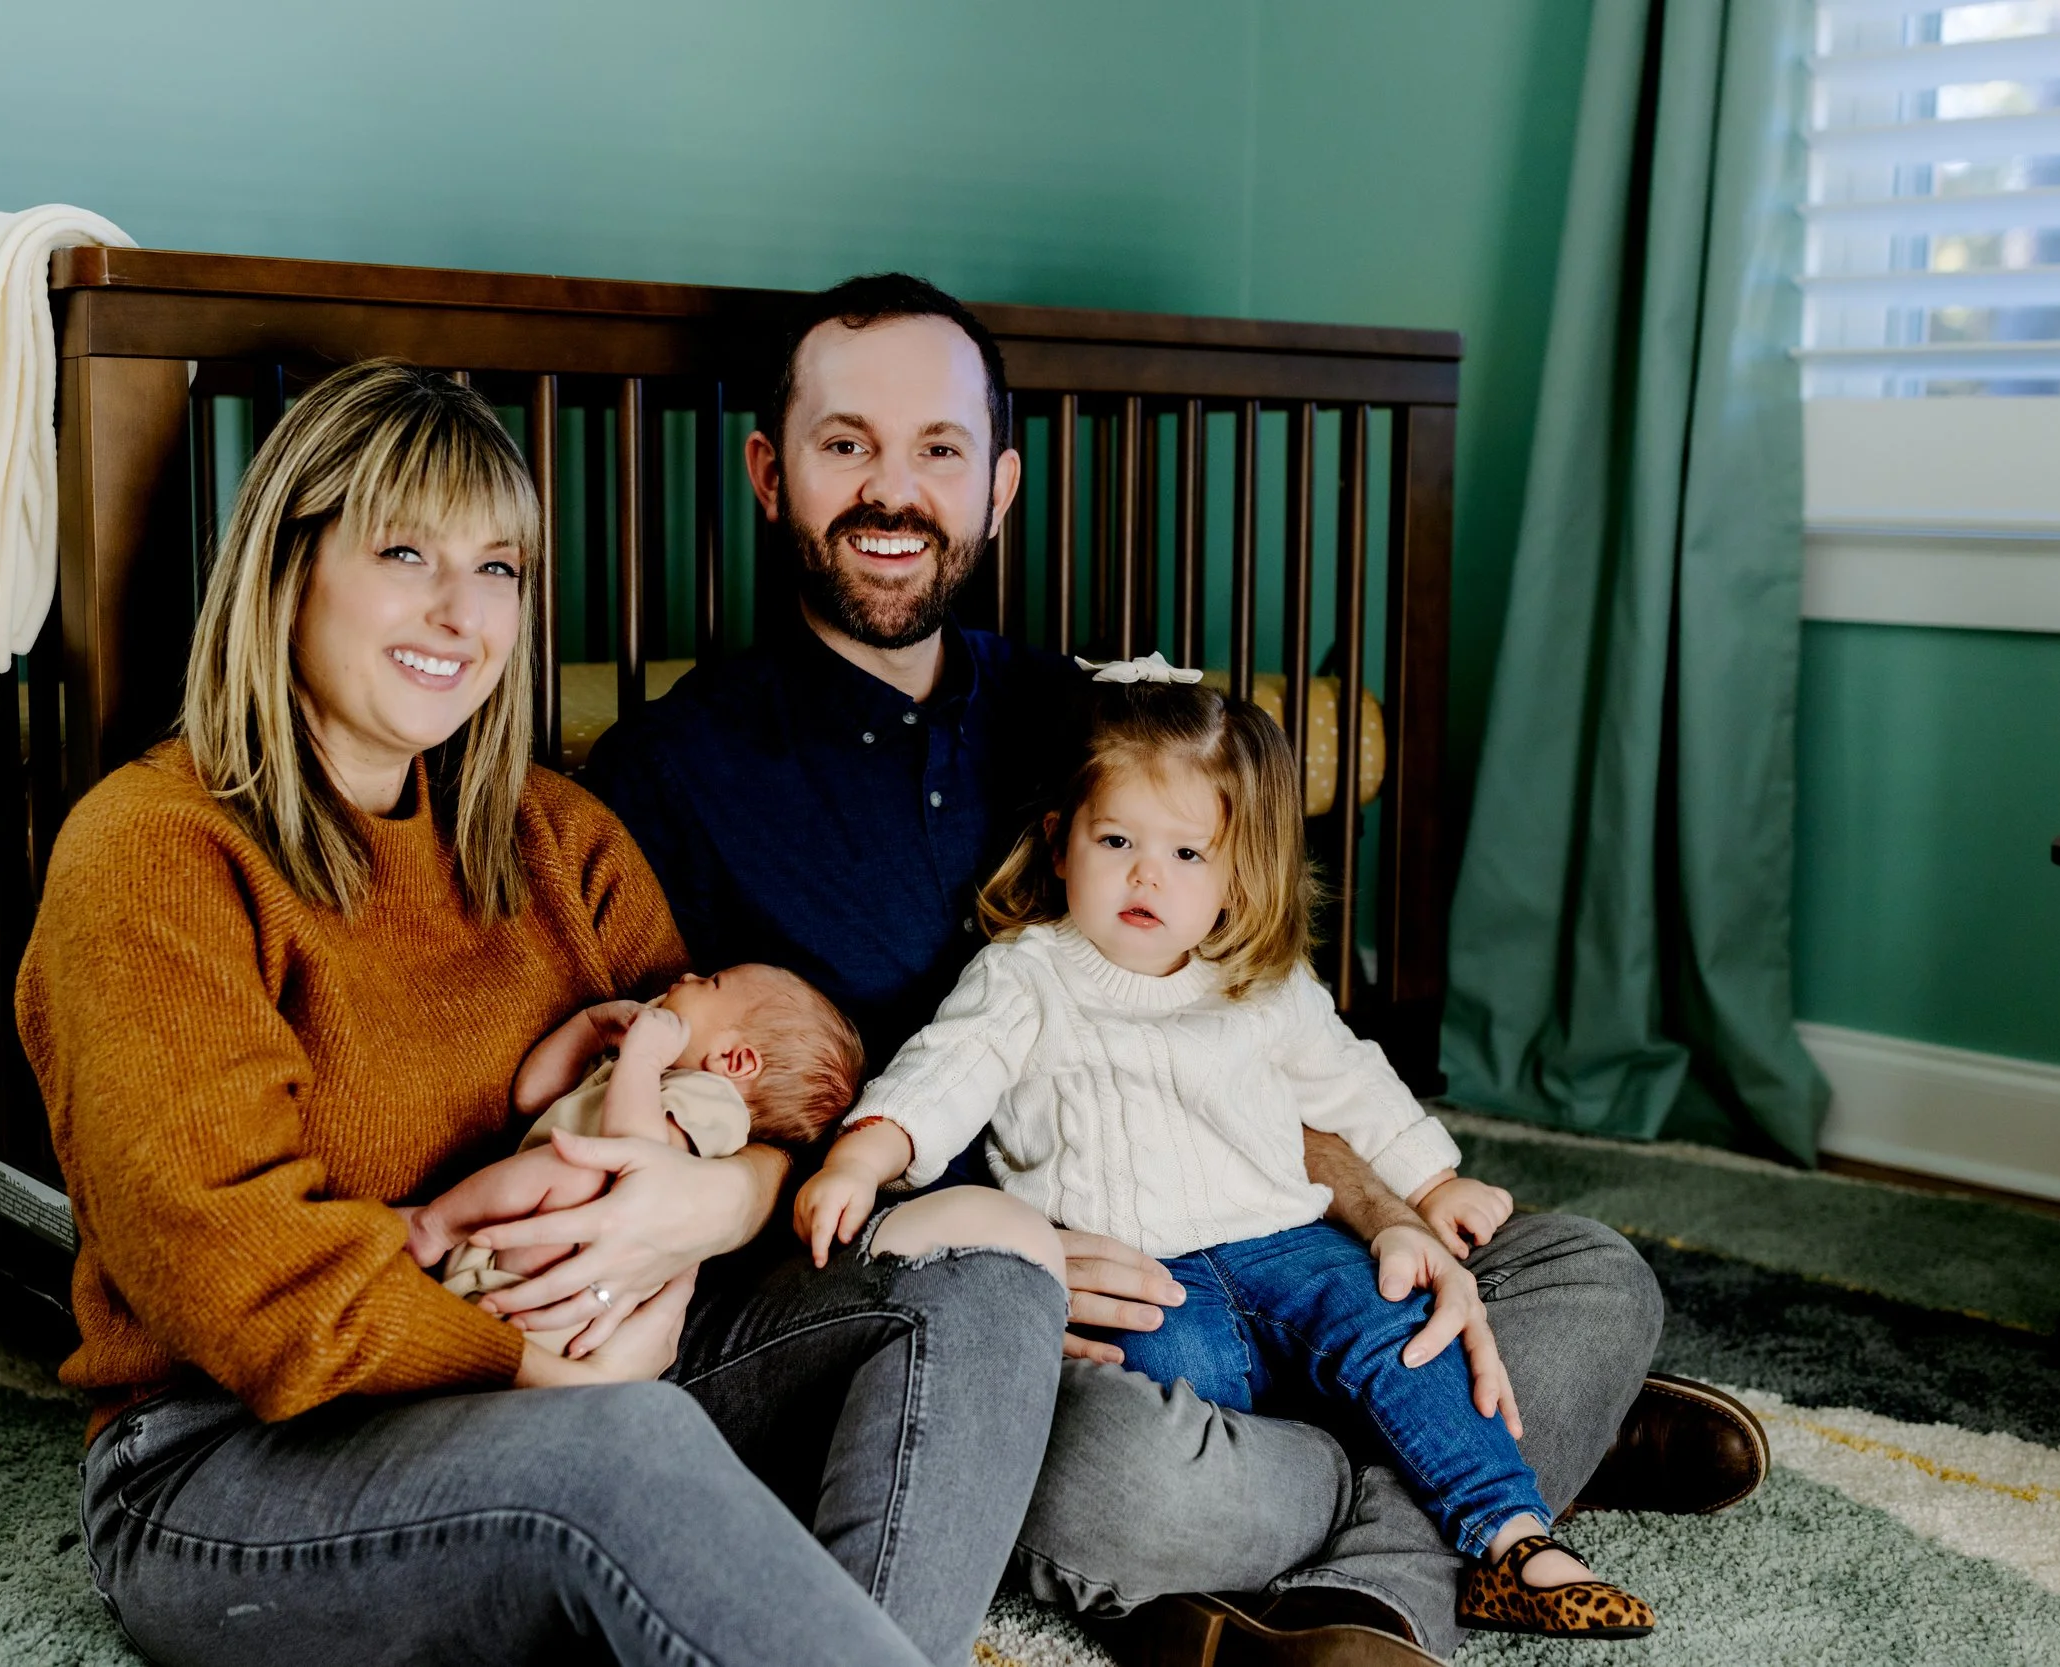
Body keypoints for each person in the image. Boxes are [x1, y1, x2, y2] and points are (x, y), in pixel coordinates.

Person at [584, 273, 1766, 1665]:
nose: (892, 493)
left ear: (1000, 484)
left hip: (1258, 1235)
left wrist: (1388, 1208)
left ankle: (1380, 1558)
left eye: (940, 450)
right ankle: (1480, 1472)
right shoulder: (673, 772)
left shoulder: (1090, 720)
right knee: (1120, 1481)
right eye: (846, 445)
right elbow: (671, 1102)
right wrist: (998, 1249)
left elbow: (1243, 1031)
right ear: (771, 471)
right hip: (1027, 1326)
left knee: (1590, 1270)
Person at [16, 359, 1065, 1667]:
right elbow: (231, 1269)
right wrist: (536, 1370)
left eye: (498, 567)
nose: (459, 611)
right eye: (405, 551)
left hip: (613, 1357)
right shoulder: (152, 854)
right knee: (626, 1448)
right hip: (238, 1458)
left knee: (991, 1265)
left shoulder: (557, 835)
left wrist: (723, 1199)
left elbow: (729, 1089)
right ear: (288, 568)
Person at [797, 667, 1652, 1641]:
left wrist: (1428, 1182)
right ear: (1058, 844)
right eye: (1115, 840)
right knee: (1149, 1394)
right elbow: (941, 1074)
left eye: (1186, 851)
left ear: (1234, 874)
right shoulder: (1023, 977)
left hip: (1288, 1239)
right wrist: (863, 1157)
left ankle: (1512, 1536)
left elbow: (1349, 1080)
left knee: (1408, 1330)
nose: (1145, 875)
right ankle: (1448, 1464)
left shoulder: (1257, 982)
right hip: (1143, 1276)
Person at [404, 965, 866, 1356]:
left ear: (735, 1061)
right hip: (511, 1248)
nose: (687, 975)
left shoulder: (714, 1104)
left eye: (711, 983)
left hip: (556, 1276)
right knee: (567, 1163)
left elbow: (635, 1153)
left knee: (576, 1167)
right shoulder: (640, 1073)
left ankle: (432, 1227)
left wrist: (642, 1058)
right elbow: (531, 1098)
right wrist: (589, 1029)